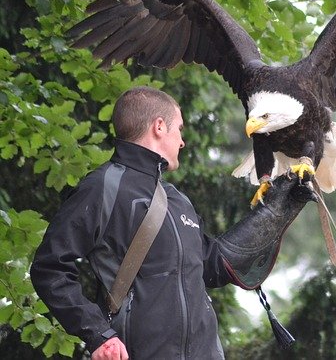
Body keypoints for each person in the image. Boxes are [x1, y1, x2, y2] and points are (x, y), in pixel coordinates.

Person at [30, 86, 314, 359]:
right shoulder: (103, 187)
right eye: (179, 128)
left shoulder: (178, 201)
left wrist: (278, 211)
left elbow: (214, 266)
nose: (182, 141)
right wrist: (98, 334)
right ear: (159, 127)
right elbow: (49, 268)